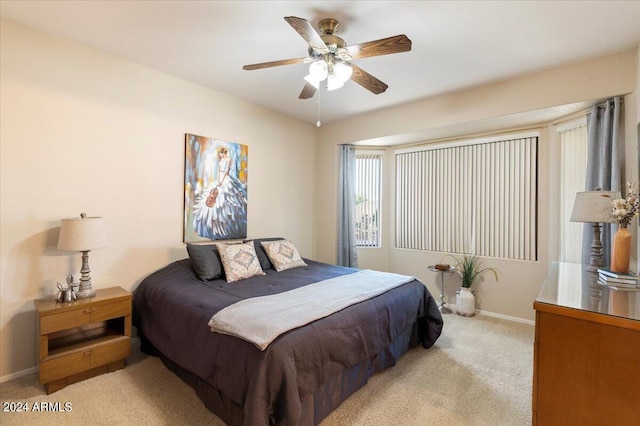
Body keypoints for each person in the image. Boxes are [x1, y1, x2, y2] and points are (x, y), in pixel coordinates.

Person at [192, 145, 247, 240]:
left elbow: (226, 171)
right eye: (220, 154)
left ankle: (227, 227)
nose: (220, 155)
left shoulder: (229, 159)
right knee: (213, 197)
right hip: (219, 178)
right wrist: (218, 180)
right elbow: (218, 171)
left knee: (227, 199)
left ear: (224, 152)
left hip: (225, 178)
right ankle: (212, 227)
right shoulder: (221, 160)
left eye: (221, 153)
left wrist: (222, 181)